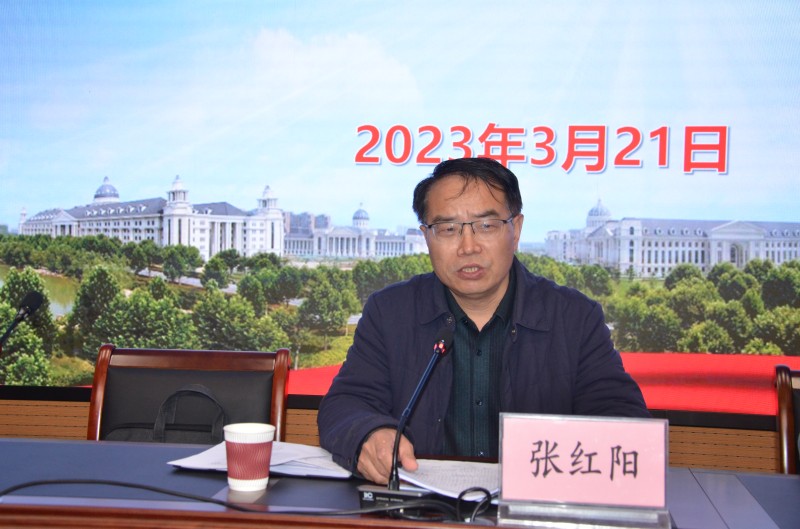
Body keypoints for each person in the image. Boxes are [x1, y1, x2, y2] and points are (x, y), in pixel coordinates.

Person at [317, 157, 649, 485]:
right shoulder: (390, 312)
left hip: (533, 505)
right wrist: (369, 433)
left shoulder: (574, 318)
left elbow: (622, 420)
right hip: (420, 506)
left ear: (516, 230)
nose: (468, 247)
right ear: (426, 236)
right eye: (448, 229)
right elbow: (346, 403)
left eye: (486, 226)